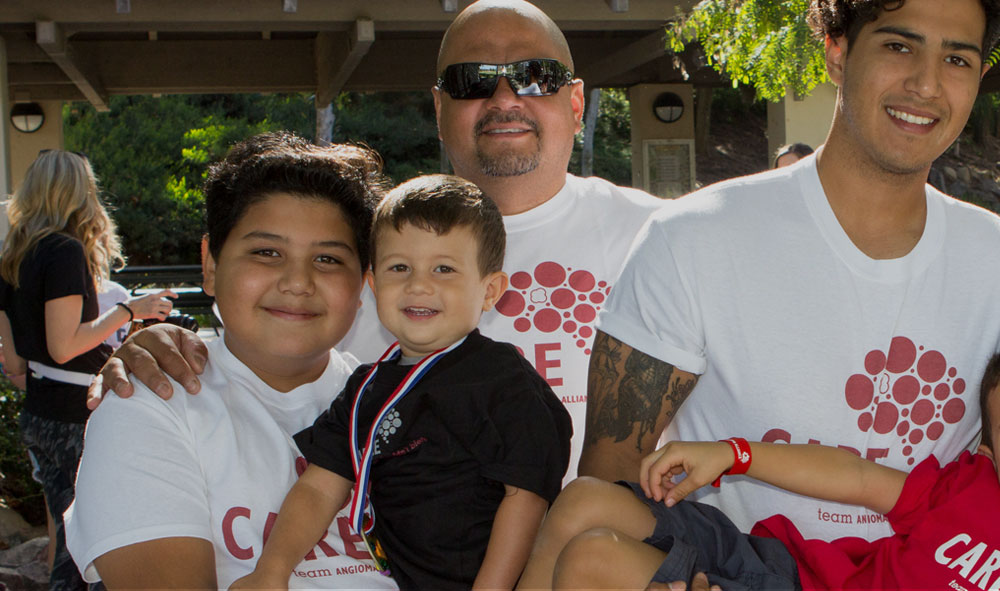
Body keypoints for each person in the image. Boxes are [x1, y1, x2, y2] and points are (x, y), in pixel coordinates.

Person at [94, 0, 662, 483]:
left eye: (536, 76)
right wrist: (161, 347)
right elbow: (268, 357)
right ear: (440, 109)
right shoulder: (368, 248)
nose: (506, 96)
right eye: (474, 80)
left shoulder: (662, 237)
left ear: (577, 101)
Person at [582, 0, 1000, 543]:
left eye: (957, 60)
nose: (927, 85)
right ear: (837, 52)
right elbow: (611, 467)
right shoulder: (692, 238)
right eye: (898, 46)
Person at [520, 329, 1000, 590]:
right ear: (987, 450)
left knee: (594, 558)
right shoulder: (967, 490)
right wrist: (733, 455)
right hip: (792, 573)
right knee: (586, 500)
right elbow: (858, 477)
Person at [64, 132, 398, 590]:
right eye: (266, 252)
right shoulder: (150, 404)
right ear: (211, 265)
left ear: (363, 281)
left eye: (327, 258)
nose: (297, 281)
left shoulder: (398, 405)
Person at [230, 175, 571, 590]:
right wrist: (271, 571)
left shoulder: (506, 383)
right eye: (399, 267)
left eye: (444, 268)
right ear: (373, 285)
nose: (419, 285)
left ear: (490, 290)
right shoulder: (365, 388)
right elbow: (319, 487)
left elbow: (526, 500)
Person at [0, 150, 174, 591]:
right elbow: (66, 346)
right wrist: (129, 310)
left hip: (38, 415)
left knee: (73, 542)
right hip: (76, 416)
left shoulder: (13, 252)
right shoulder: (63, 250)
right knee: (102, 540)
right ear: (81, 191)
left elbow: (15, 361)